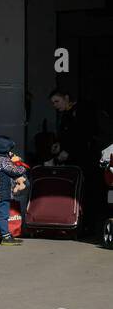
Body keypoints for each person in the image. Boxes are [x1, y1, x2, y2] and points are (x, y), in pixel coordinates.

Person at [49, 87, 109, 229]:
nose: (55, 105)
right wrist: (59, 144)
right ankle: (75, 219)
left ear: (67, 98)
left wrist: (68, 151)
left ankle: (88, 223)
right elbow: (68, 135)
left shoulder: (83, 111)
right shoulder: (65, 115)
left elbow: (83, 134)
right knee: (76, 189)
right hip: (74, 159)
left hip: (86, 158)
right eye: (53, 103)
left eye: (57, 101)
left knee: (87, 191)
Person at [0, 135, 29, 245]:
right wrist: (19, 161)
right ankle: (6, 237)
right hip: (2, 193)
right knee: (3, 215)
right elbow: (17, 171)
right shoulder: (4, 161)